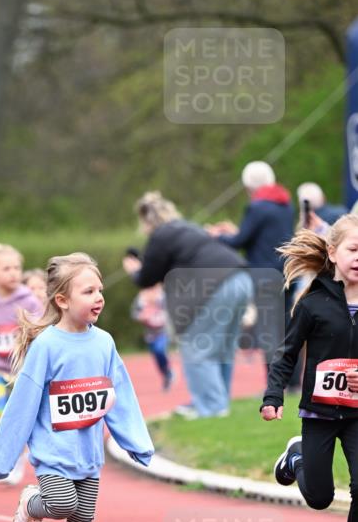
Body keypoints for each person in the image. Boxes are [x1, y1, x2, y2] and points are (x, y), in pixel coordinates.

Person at [0, 253, 154, 522]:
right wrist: (4, 459)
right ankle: (31, 503)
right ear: (62, 300)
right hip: (53, 449)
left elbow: (120, 394)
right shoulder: (47, 345)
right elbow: (23, 403)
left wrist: (135, 441)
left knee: (83, 518)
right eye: (88, 291)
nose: (99, 298)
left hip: (88, 449)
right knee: (62, 503)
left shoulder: (104, 342)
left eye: (100, 290)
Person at [262, 213, 358, 522]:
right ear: (333, 253)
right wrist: (273, 395)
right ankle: (297, 454)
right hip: (318, 413)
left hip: (356, 415)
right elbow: (287, 353)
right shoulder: (314, 303)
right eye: (353, 249)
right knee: (319, 498)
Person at [124, 192, 253, 419]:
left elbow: (147, 278)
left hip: (215, 286)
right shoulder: (188, 228)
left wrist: (134, 270)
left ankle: (212, 410)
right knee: (222, 350)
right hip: (241, 278)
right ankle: (220, 407)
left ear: (146, 222)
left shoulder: (161, 235)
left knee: (198, 349)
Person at [209, 161, 296, 384]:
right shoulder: (285, 205)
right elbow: (266, 238)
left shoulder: (257, 207)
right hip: (286, 273)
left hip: (264, 277)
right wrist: (236, 231)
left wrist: (217, 235)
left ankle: (274, 385)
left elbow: (240, 241)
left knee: (268, 332)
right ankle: (293, 382)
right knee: (287, 330)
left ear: (250, 185)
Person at [0, 243, 41, 485]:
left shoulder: (30, 302)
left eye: (17, 268)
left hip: (22, 371)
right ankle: (3, 459)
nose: (14, 273)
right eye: (6, 268)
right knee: (0, 411)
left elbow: (40, 333)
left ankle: (18, 458)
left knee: (21, 416)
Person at [131, 284, 174, 390]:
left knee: (160, 350)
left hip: (163, 331)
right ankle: (166, 374)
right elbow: (134, 313)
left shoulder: (163, 297)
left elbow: (172, 309)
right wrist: (142, 316)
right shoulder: (141, 298)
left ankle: (168, 372)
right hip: (150, 334)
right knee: (156, 356)